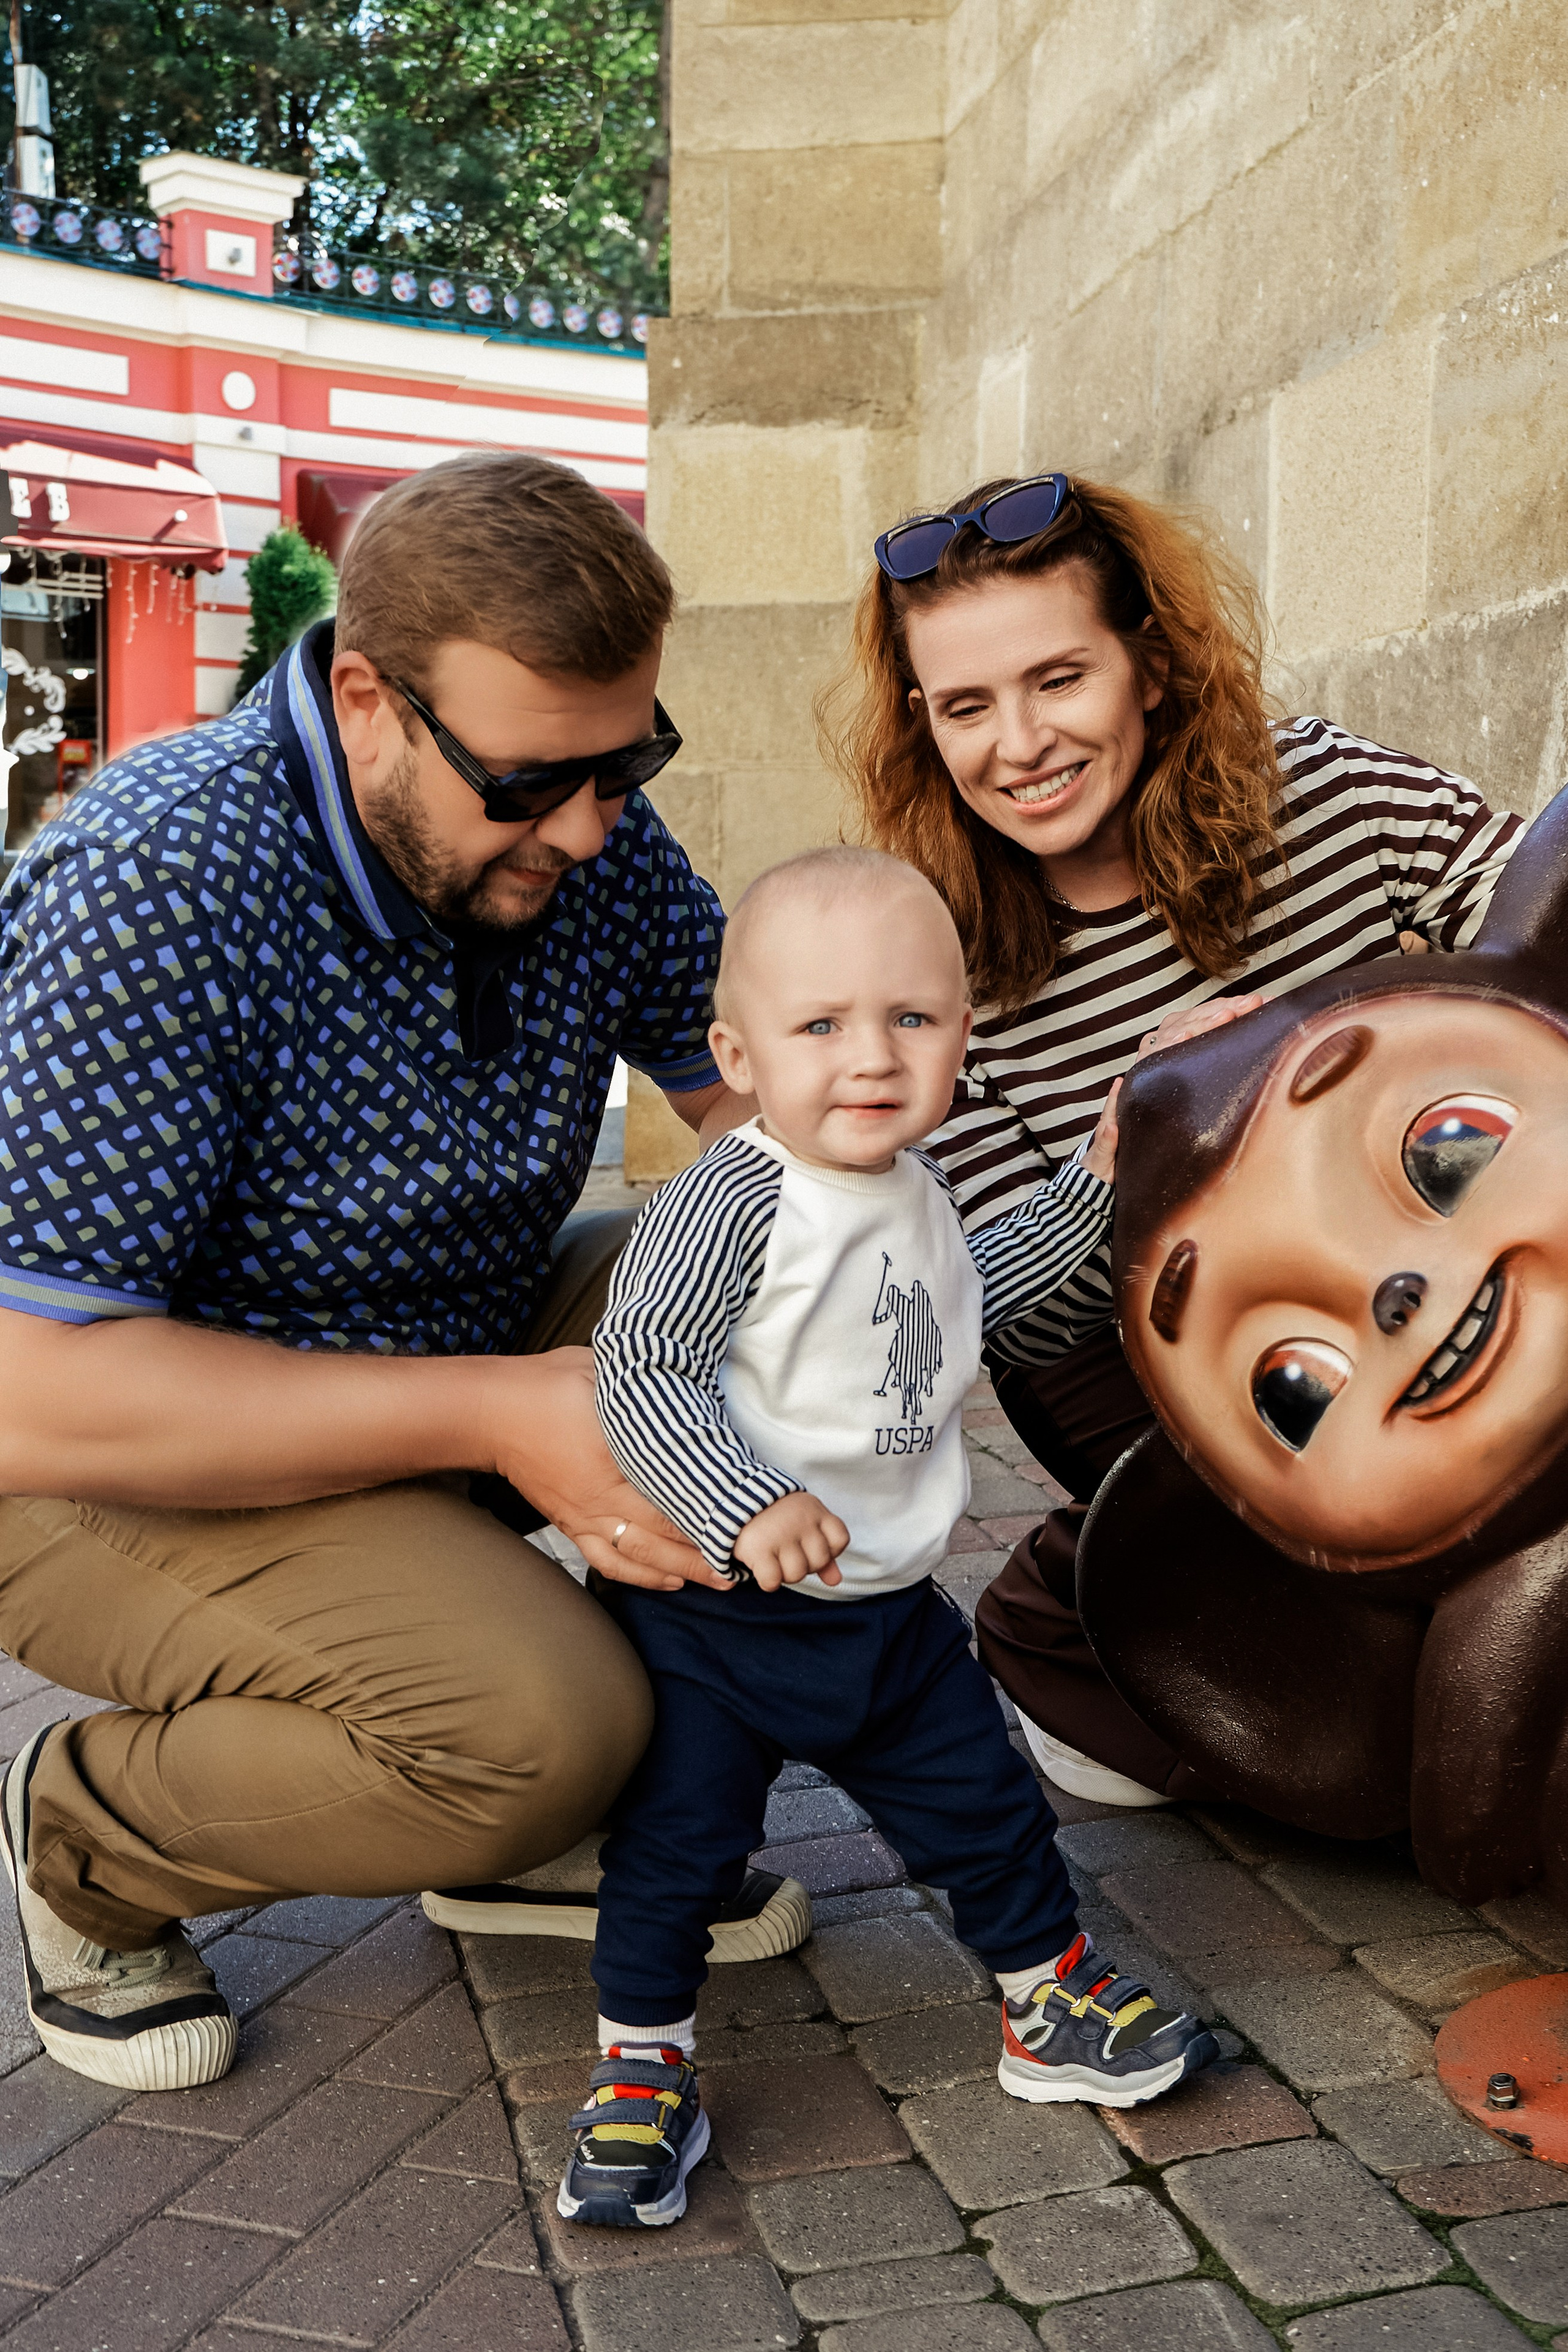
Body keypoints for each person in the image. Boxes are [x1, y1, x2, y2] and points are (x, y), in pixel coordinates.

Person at [0, 451, 783, 2096]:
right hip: (108, 1460)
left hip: (447, 1367)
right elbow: (37, 1393)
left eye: (628, 762)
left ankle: (517, 1838)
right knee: (541, 1727)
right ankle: (85, 1833)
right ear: (366, 696)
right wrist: (504, 1415)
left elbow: (776, 1120)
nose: (586, 828)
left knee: (803, 1285)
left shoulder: (585, 831)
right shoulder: (164, 877)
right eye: (528, 784)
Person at [831, 469, 1526, 1807]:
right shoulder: (930, 958)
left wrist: (1330, 1021)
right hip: (1160, 1358)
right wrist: (1120, 1150)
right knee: (1385, 1669)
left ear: (1147, 666)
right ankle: (1077, 1608)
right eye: (965, 705)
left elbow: (1530, 924)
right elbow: (998, 1313)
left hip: (1418, 1253)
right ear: (922, 723)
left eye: (1057, 679)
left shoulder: (1319, 792)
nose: (1017, 743)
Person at [555, 848, 1217, 2233]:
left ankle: (1045, 2002)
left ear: (961, 1036)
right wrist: (745, 1504)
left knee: (985, 1810)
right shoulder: (732, 1199)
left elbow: (981, 1290)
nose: (869, 1058)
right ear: (735, 1054)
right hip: (721, 1622)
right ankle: (640, 2067)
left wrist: (1098, 1180)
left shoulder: (910, 1187)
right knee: (676, 1853)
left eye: (910, 1019)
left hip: (886, 1615)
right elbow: (642, 1367)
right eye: (819, 1027)